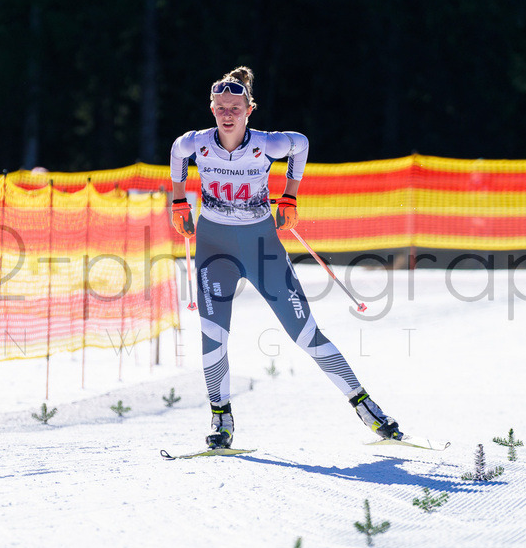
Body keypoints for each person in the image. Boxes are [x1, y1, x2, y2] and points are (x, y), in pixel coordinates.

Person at [169, 66, 403, 449]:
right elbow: (177, 151)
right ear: (212, 108)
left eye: (235, 107)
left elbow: (301, 143)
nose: (227, 113)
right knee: (213, 337)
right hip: (214, 248)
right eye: (220, 107)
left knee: (305, 333)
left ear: (249, 109)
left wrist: (290, 194)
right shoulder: (198, 143)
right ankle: (221, 418)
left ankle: (365, 405)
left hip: (261, 245)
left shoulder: (268, 143)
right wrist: (178, 201)